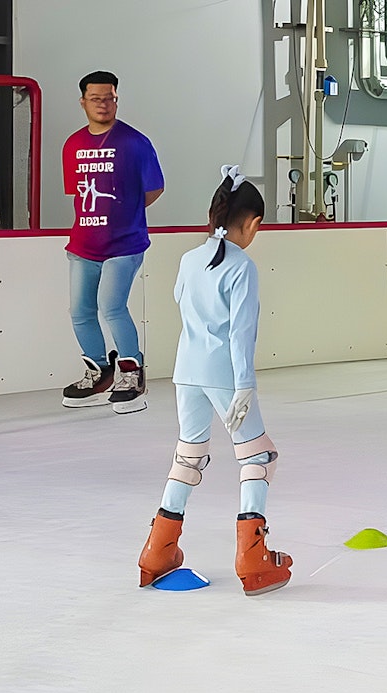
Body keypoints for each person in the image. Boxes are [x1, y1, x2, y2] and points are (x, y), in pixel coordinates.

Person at [137, 166, 293, 596]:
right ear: (253, 222)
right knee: (258, 457)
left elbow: (180, 302)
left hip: (186, 370)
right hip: (225, 373)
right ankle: (252, 557)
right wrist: (244, 384)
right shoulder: (242, 267)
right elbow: (242, 334)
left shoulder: (189, 260)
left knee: (188, 457)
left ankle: (157, 550)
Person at [60, 71, 164, 413]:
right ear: (83, 102)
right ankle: (98, 371)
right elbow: (77, 193)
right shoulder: (73, 144)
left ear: (116, 99)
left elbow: (154, 189)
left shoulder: (135, 143)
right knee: (80, 311)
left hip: (125, 243)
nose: (104, 104)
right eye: (96, 98)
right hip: (83, 244)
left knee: (112, 306)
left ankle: (132, 373)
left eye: (110, 98)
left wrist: (124, 216)